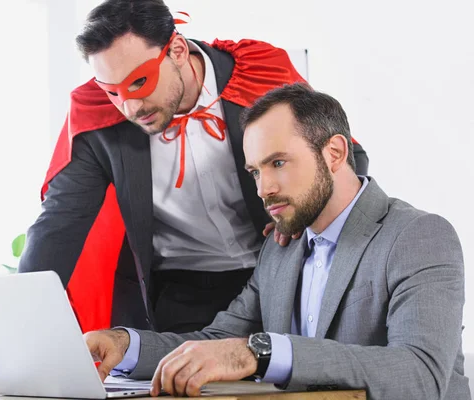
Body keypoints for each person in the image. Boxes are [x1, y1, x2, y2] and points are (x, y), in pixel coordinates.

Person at [75, 83, 468, 400]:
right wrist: (125, 345)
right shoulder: (281, 248)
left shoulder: (418, 235)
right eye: (255, 171)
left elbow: (421, 374)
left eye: (278, 163)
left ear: (334, 152)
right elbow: (217, 342)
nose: (265, 188)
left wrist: (260, 351)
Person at [21, 0, 371, 336]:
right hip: (177, 297)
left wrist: (304, 217)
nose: (128, 107)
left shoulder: (258, 74)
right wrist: (13, 342)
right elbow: (58, 224)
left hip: (277, 276)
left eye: (140, 82)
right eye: (112, 91)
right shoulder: (98, 117)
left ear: (176, 49)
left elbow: (343, 157)